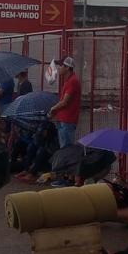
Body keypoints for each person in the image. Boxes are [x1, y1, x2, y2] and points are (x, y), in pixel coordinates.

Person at [47, 56, 81, 187]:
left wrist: (52, 109)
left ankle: (68, 179)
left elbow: (65, 102)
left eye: (61, 66)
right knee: (64, 149)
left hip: (68, 120)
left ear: (67, 68)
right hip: (63, 120)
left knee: (67, 150)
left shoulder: (72, 81)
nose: (58, 68)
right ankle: (66, 176)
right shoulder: (68, 81)